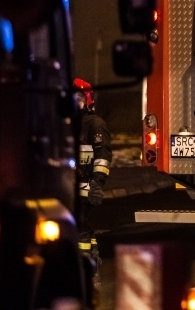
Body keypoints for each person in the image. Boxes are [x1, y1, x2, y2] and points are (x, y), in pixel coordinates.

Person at [73, 78, 112, 287]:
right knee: (80, 226)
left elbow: (103, 156)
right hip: (68, 185)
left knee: (79, 227)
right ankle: (92, 258)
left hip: (87, 185)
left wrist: (97, 183)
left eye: (78, 98)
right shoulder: (65, 123)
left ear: (88, 100)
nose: (74, 103)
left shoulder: (95, 124)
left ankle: (87, 272)